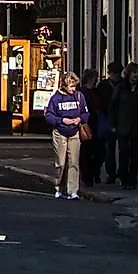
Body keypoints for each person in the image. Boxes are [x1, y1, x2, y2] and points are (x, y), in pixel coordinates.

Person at [43, 71, 90, 200]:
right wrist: (61, 120)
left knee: (74, 162)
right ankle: (58, 186)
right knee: (61, 162)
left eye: (74, 86)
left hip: (74, 132)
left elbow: (85, 113)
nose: (73, 89)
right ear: (64, 86)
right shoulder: (56, 98)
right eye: (70, 86)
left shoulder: (79, 97)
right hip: (60, 132)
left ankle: (72, 190)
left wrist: (79, 119)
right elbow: (49, 116)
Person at [111, 63, 138, 188]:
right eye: (133, 72)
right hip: (123, 125)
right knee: (124, 152)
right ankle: (124, 177)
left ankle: (132, 178)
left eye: (137, 72)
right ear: (128, 74)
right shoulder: (121, 88)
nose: (135, 75)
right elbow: (113, 107)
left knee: (135, 154)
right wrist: (113, 124)